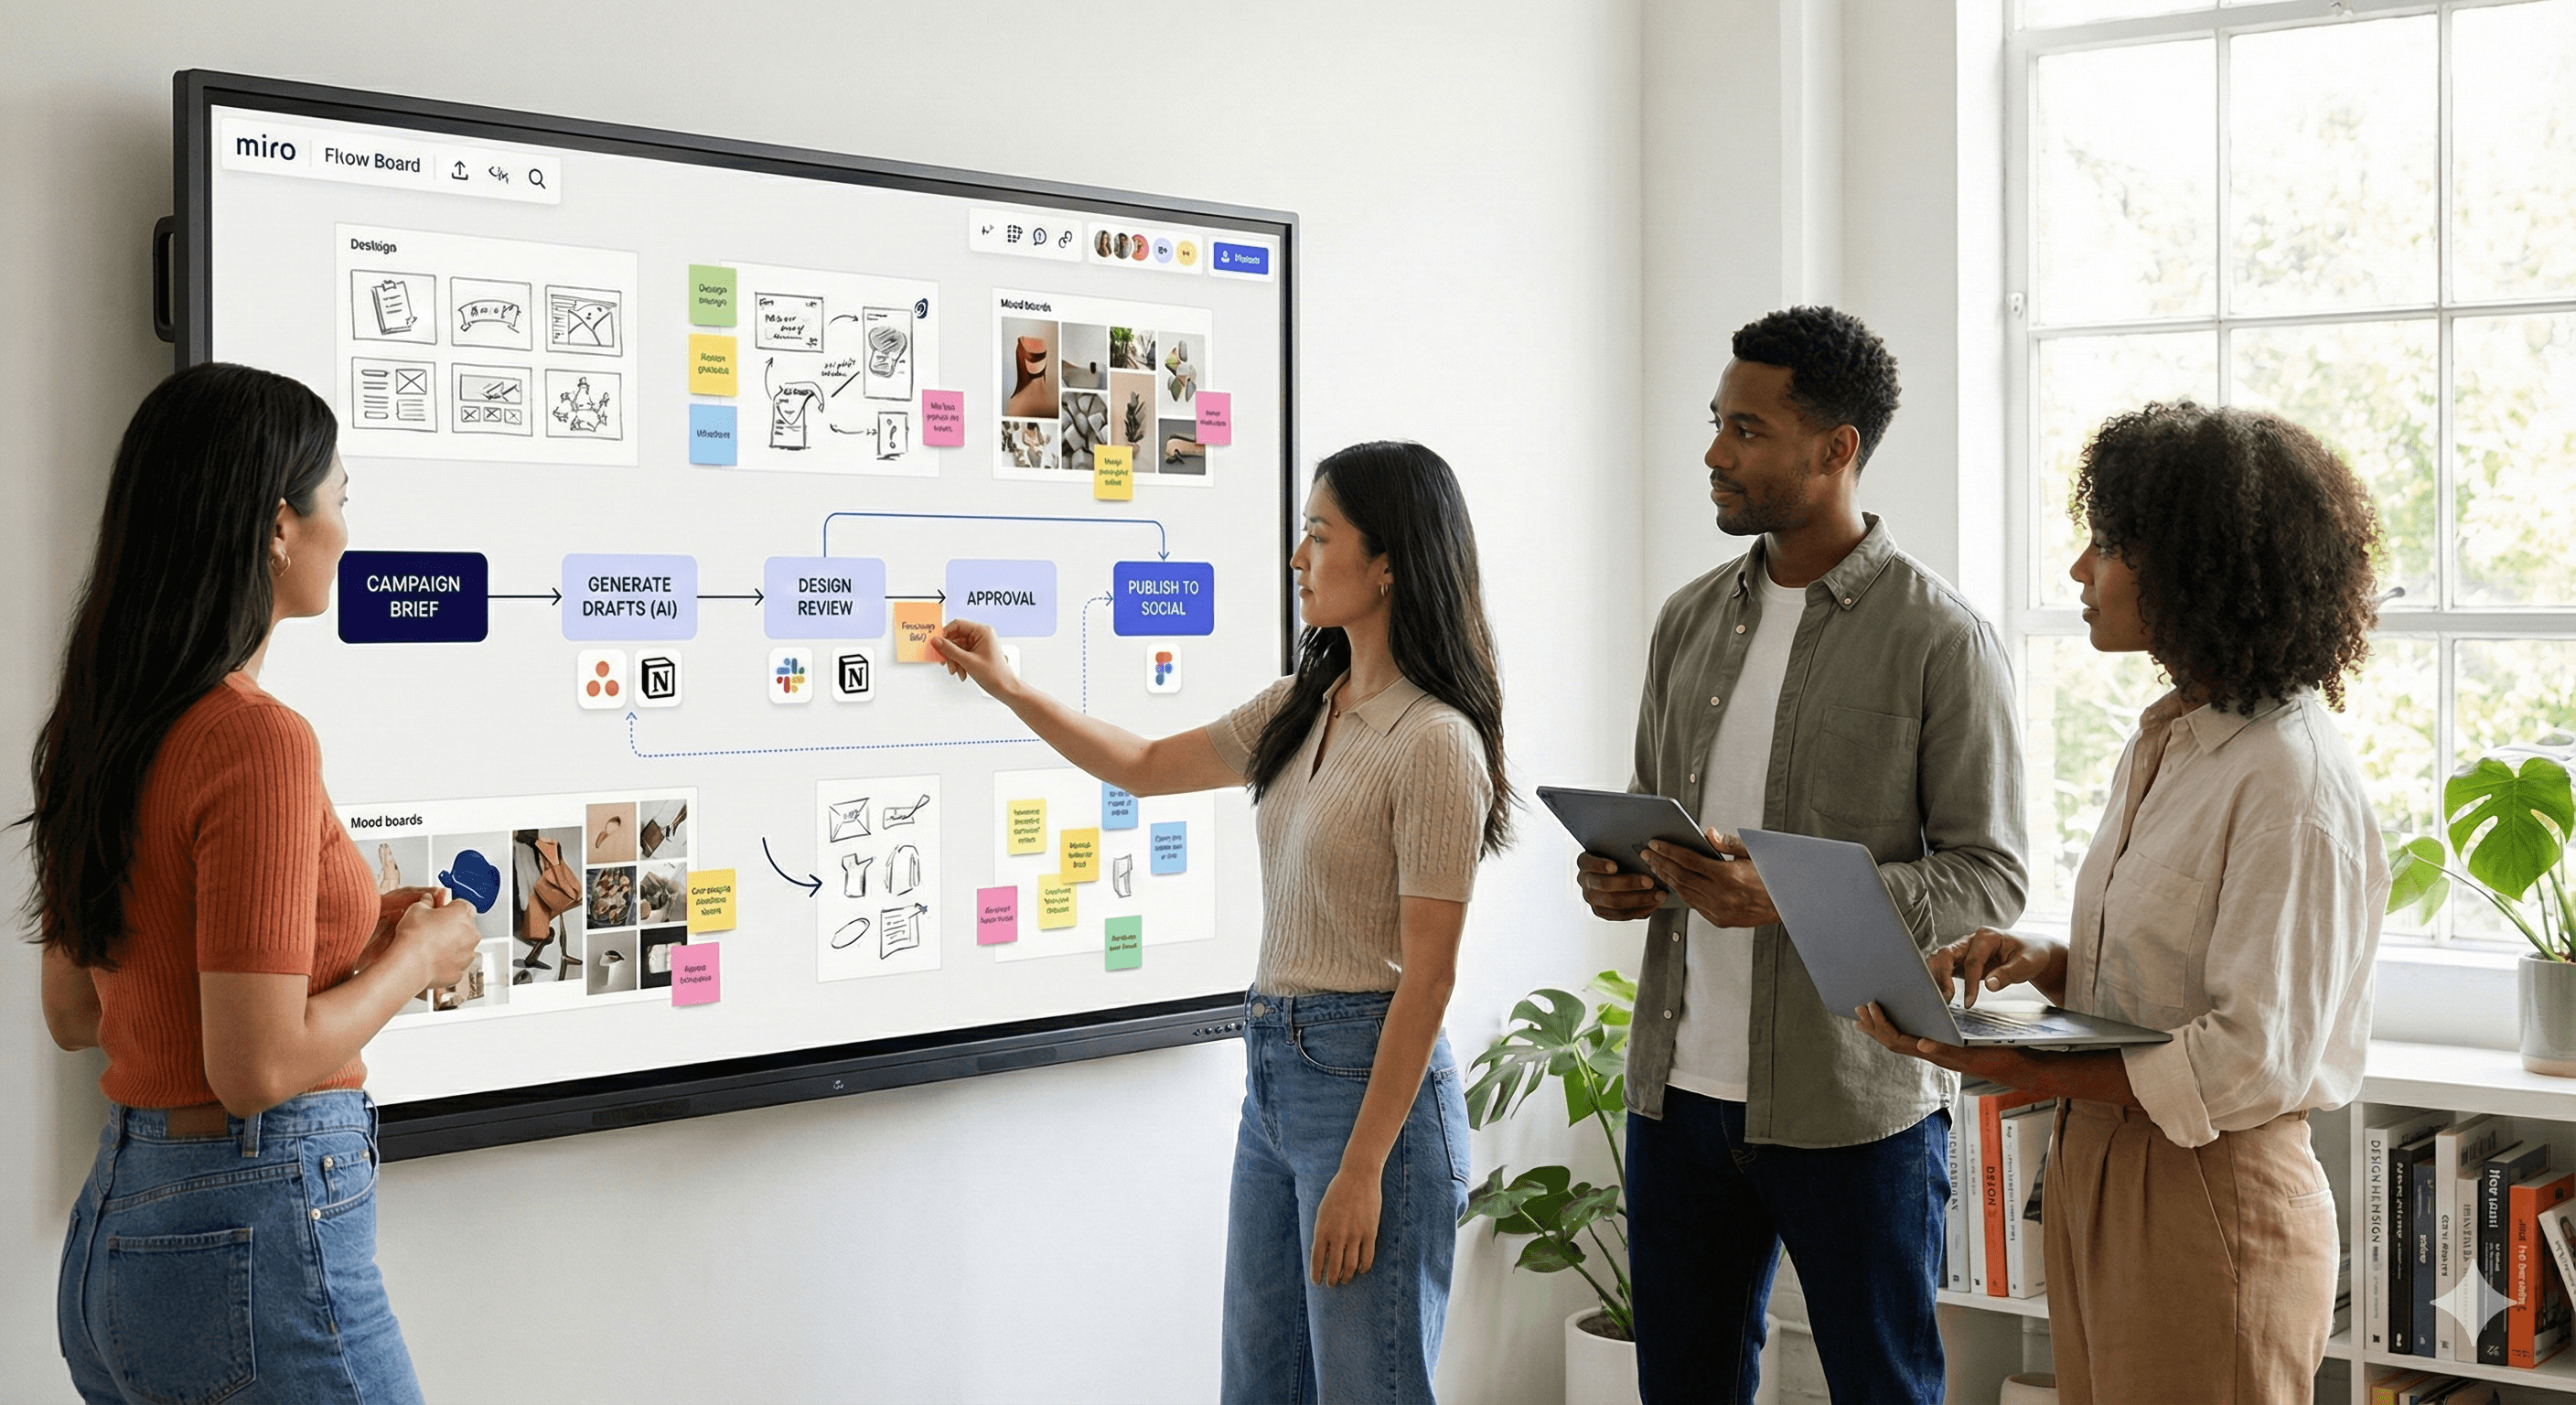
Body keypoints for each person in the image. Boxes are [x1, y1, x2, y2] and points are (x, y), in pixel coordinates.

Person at [933, 440, 1509, 1402]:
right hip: (1276, 1079)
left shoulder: (1436, 743)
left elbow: (1431, 975)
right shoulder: (1302, 703)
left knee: (1368, 1391)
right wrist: (1011, 686)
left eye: (1318, 538)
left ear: (1388, 563)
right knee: (1256, 1387)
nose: (1296, 560)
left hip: (1371, 1093)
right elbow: (1147, 763)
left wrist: (1363, 1166)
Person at [1859, 401, 2387, 1403]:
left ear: (2194, 565)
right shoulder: (2165, 741)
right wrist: (2050, 962)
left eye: (2106, 545)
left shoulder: (2289, 784)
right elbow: (2191, 965)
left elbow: (2244, 1061)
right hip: (2102, 1165)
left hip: (2209, 1190)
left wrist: (2012, 1063)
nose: (2076, 573)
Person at [1575, 306, 2027, 1403]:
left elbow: (1987, 873)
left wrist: (1783, 896)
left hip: (1850, 1105)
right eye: (1715, 424)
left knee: (1880, 1389)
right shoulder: (1684, 622)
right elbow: (1651, 814)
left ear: (1835, 451)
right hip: (1675, 1100)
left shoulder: (1938, 638)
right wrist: (1618, 877)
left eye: (1746, 430)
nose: (1713, 454)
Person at [30, 362, 482, 1405]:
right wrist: (417, 958)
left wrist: (358, 937)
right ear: (278, 525)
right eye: (341, 500)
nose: (347, 532)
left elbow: (75, 1009)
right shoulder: (257, 741)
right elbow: (256, 1067)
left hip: (122, 1231)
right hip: (254, 1219)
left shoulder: (102, 727)